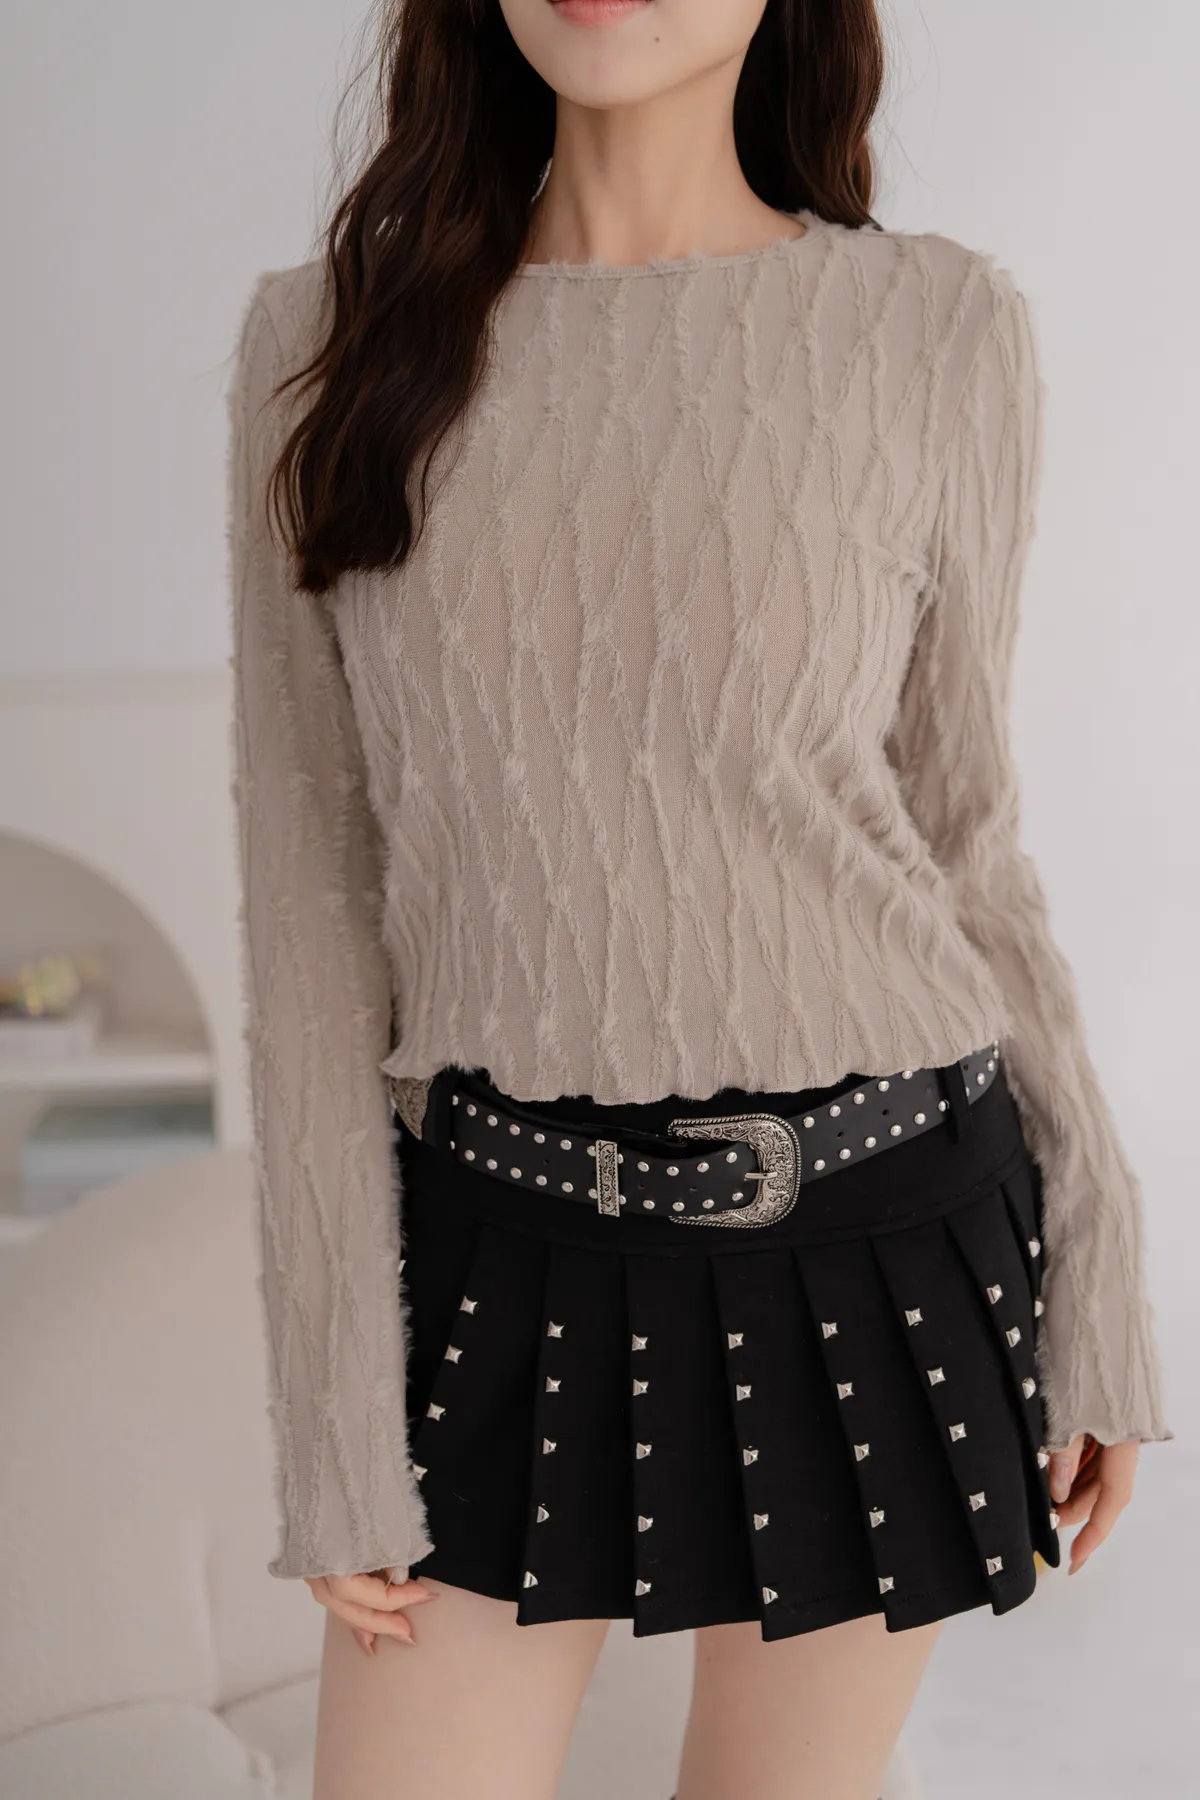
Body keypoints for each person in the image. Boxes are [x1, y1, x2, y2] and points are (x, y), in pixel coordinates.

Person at [227, 3, 1170, 1796]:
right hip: (498, 1244)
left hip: (885, 1235)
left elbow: (968, 836)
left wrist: (1105, 1276)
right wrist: (334, 1416)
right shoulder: (327, 340)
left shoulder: (936, 326)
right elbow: (309, 910)